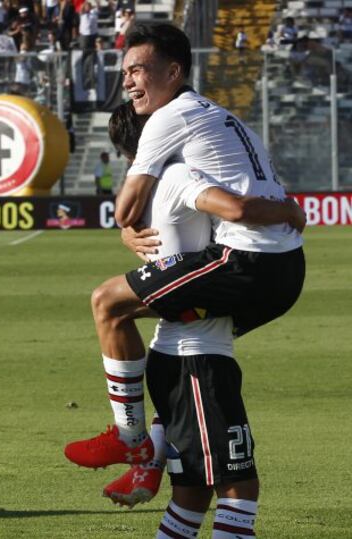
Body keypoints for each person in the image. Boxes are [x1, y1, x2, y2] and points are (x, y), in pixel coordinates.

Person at [64, 23, 305, 477]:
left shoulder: (168, 119)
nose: (129, 80)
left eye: (139, 70)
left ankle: (130, 439)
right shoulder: (215, 116)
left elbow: (129, 209)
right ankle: (156, 457)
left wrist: (287, 212)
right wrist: (287, 210)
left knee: (109, 303)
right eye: (125, 71)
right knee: (177, 342)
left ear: (173, 71)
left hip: (249, 263)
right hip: (281, 267)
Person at [101, 102, 259, 537]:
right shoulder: (178, 176)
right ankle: (144, 449)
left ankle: (150, 451)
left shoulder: (149, 189)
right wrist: (284, 212)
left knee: (192, 495)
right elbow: (235, 209)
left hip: (184, 353)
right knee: (238, 486)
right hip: (196, 360)